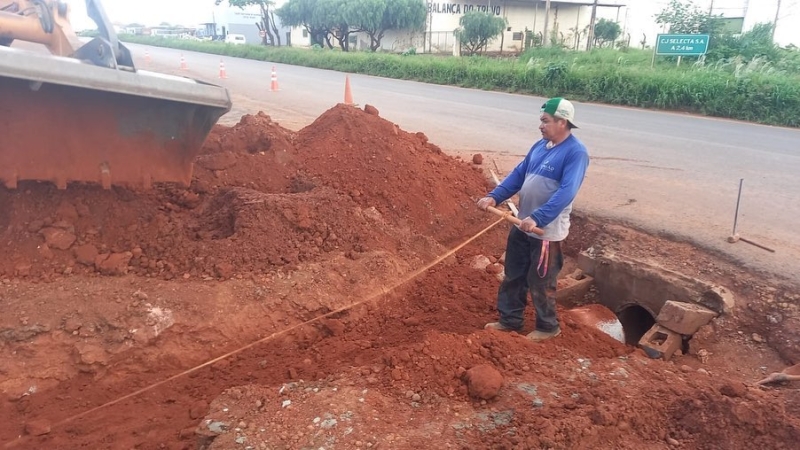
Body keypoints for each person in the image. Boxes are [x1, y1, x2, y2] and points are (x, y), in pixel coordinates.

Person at [477, 97, 590, 342]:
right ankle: (509, 321)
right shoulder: (540, 146)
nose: (540, 125)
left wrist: (538, 218)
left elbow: (567, 192)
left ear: (562, 122)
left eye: (545, 121)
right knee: (513, 274)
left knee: (540, 282)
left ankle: (548, 327)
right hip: (523, 223)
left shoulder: (575, 153)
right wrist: (494, 197)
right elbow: (519, 174)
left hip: (545, 231)